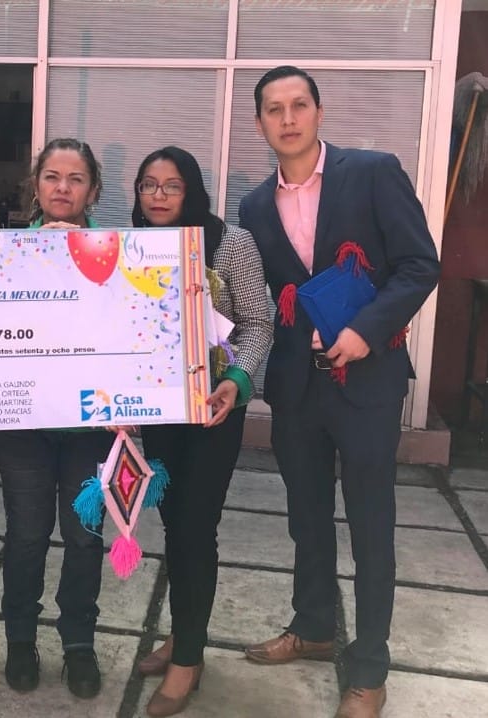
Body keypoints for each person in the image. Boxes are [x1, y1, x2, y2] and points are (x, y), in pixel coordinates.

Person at [237, 66, 439, 718]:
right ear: (260, 123)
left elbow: (419, 264)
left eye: (299, 105)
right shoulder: (253, 207)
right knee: (306, 518)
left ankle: (369, 666)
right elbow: (262, 299)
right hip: (298, 389)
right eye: (274, 109)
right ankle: (315, 626)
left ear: (318, 112)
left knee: (371, 525)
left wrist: (365, 331)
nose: (287, 118)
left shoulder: (372, 173)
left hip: (367, 385)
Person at [130, 147, 272, 716]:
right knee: (174, 524)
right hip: (159, 409)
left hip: (214, 408)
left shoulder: (229, 243)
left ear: (192, 190)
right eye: (148, 185)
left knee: (195, 526)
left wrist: (237, 380)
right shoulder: (132, 247)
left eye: (172, 185)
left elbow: (259, 322)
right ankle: (183, 634)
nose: (159, 195)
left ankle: (188, 659)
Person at [0, 138, 118, 699]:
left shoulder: (122, 255)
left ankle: (78, 643)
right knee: (25, 536)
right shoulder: (0, 254)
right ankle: (20, 639)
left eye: (75, 178)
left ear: (92, 190)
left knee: (85, 538)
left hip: (91, 429)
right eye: (51, 176)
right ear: (36, 185)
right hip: (22, 425)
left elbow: (138, 334)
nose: (62, 187)